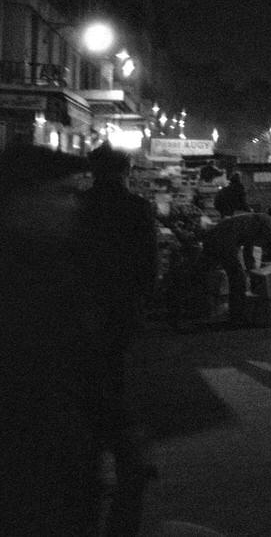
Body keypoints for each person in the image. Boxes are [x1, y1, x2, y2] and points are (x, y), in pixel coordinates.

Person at [0, 144, 105, 535]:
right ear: (22, 200)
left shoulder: (55, 262)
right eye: (61, 194)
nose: (74, 206)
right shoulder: (25, 275)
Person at [81, 143, 160, 535]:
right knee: (119, 383)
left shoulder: (80, 206)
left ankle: (93, 461)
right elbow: (150, 265)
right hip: (122, 311)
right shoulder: (137, 209)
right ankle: (128, 462)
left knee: (90, 383)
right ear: (126, 171)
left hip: (83, 311)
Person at [201, 210, 271, 324]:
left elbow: (248, 251)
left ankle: (204, 310)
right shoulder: (267, 220)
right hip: (223, 241)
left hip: (213, 239)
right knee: (238, 278)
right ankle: (237, 316)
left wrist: (253, 272)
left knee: (207, 274)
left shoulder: (253, 221)